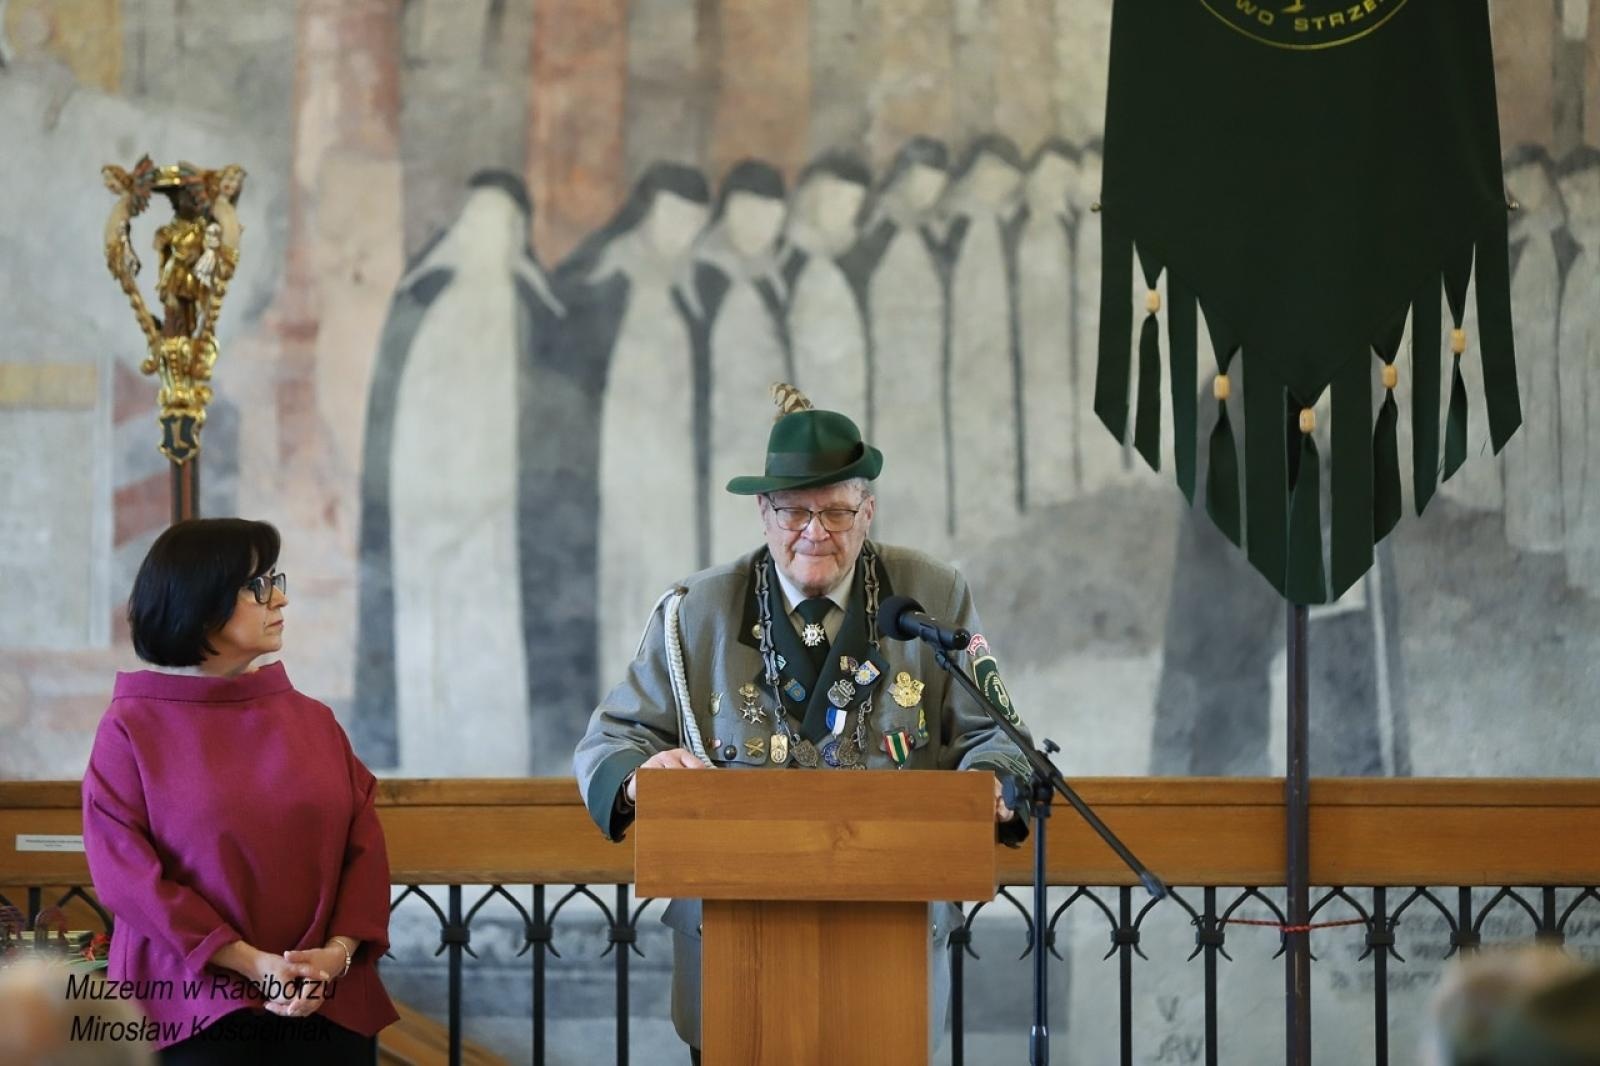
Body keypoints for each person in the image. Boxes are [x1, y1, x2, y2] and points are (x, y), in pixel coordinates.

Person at [573, 389, 1032, 1062]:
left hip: (890, 940)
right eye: (794, 512)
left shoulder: (931, 594)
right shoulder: (698, 610)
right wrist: (641, 776)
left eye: (837, 512)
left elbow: (995, 735)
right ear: (764, 513)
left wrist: (992, 780)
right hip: (734, 949)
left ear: (867, 512)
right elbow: (610, 741)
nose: (815, 532)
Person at [82, 519, 398, 1064]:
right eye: (257, 586)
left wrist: (336, 954)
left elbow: (364, 851)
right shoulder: (130, 727)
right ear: (198, 602)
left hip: (324, 999)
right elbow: (126, 876)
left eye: (275, 580)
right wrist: (250, 962)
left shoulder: (315, 720)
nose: (279, 598)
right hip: (190, 1005)